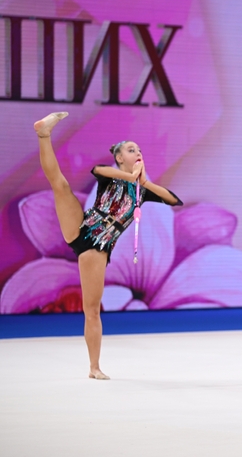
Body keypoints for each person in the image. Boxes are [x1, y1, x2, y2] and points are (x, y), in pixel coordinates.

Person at [33, 112, 182, 379]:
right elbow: (97, 170)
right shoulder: (110, 175)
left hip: (98, 248)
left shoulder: (141, 191)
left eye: (139, 149)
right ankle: (44, 134)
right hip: (85, 231)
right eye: (131, 149)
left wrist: (145, 183)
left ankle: (93, 367)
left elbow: (173, 200)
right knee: (60, 185)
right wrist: (131, 178)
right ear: (119, 158)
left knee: (92, 309)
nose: (138, 153)